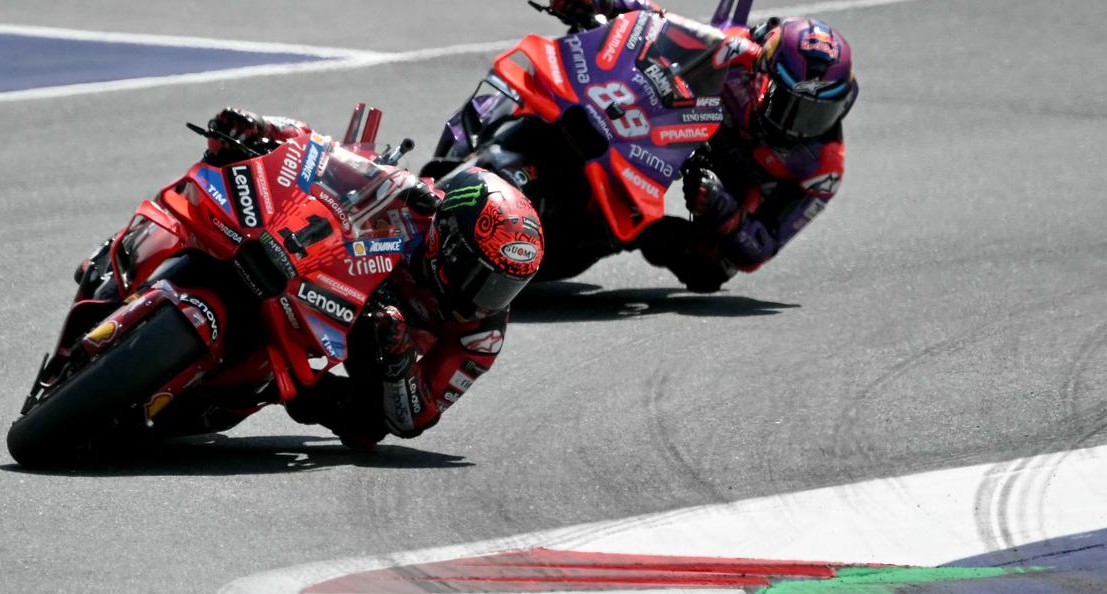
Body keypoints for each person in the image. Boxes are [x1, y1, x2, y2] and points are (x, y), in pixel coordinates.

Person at [206, 108, 545, 449]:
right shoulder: (418, 204)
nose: (487, 299)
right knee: (257, 163)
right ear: (449, 238)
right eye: (481, 277)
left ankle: (273, 386)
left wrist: (400, 366)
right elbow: (321, 151)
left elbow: (415, 419)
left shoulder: (483, 336)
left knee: (367, 427)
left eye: (505, 287)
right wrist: (263, 127)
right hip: (321, 270)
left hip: (371, 342)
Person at [547, 1, 857, 292]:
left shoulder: (821, 168)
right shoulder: (738, 51)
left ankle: (621, 233)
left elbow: (762, 247)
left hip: (728, 188)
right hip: (673, 124)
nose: (796, 125)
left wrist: (726, 212)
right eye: (786, 103)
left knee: (712, 268)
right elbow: (663, 25)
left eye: (818, 113)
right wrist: (608, 3)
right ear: (764, 72)